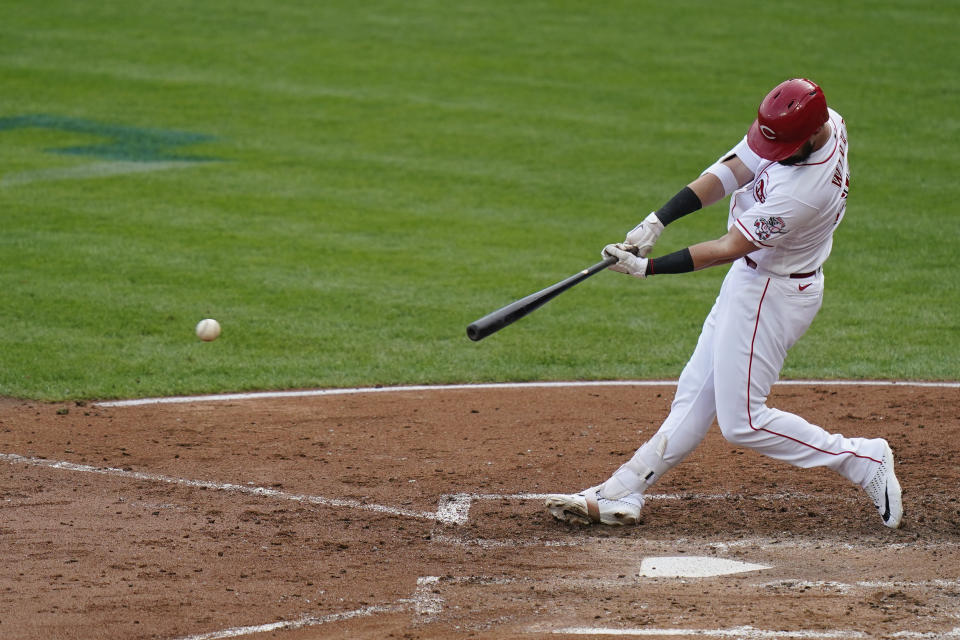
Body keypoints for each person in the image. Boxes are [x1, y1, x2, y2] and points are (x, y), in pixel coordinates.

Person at [545, 78, 903, 529]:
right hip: (756, 282)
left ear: (811, 136)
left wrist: (646, 269)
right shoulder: (821, 121)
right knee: (693, 398)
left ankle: (863, 459)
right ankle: (623, 492)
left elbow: (729, 246)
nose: (772, 153)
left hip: (772, 294)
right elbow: (735, 169)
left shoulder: (805, 191)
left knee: (745, 422)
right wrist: (659, 220)